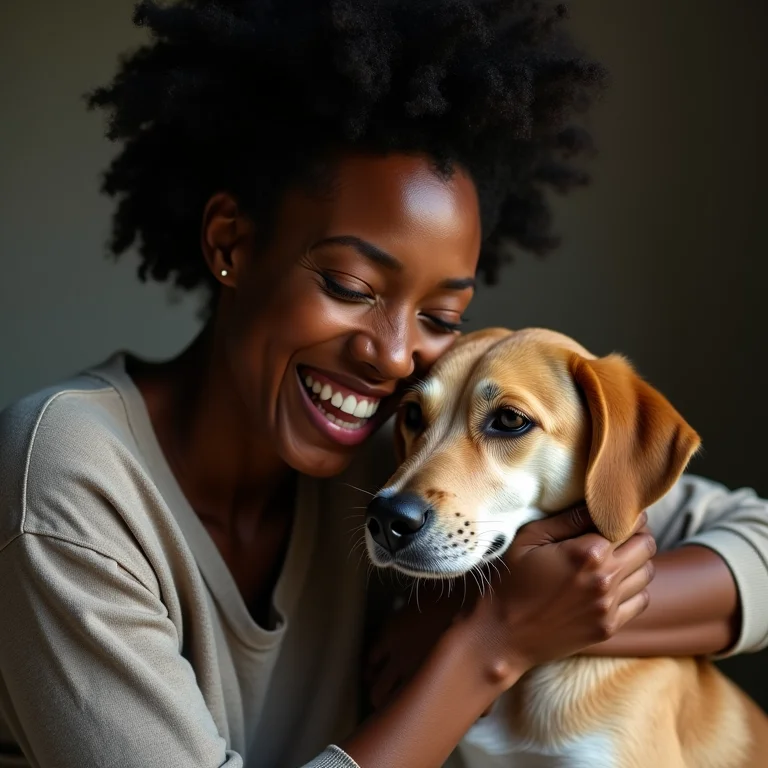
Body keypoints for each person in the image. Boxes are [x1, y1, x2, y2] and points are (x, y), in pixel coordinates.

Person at [0, 2, 765, 767]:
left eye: (440, 313)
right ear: (230, 243)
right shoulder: (67, 476)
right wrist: (491, 644)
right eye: (348, 282)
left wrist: (499, 607)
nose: (396, 358)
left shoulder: (398, 449)